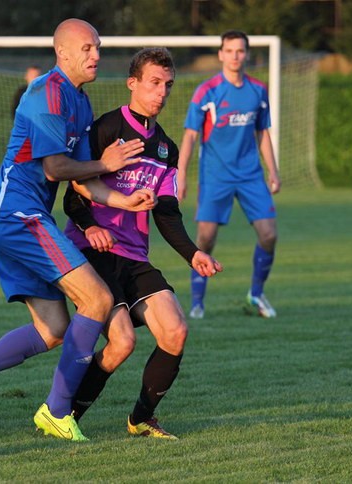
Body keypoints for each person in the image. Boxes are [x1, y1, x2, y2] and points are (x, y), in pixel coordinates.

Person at [0, 19, 153, 443]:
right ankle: (57, 411)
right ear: (62, 53)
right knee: (98, 299)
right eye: (87, 48)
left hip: (19, 217)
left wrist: (126, 200)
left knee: (53, 329)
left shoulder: (79, 101)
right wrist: (106, 163)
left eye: (98, 47)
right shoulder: (47, 92)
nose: (96, 55)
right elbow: (56, 168)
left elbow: (81, 178)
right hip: (16, 214)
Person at [63, 47, 222, 439]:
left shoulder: (166, 149)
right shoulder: (106, 129)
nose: (161, 92)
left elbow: (166, 214)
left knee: (175, 331)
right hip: (93, 253)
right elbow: (73, 192)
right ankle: (65, 415)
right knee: (123, 343)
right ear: (132, 83)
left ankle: (141, 419)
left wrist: (194, 254)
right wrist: (89, 227)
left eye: (168, 85)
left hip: (134, 257)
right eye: (154, 83)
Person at [177, 30, 281, 320]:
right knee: (206, 238)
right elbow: (190, 136)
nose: (235, 56)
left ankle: (256, 295)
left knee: (269, 235)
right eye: (230, 50)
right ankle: (197, 302)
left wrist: (273, 171)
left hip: (250, 176)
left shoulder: (258, 90)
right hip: (215, 176)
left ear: (247, 54)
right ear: (221, 54)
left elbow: (262, 133)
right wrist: (181, 175)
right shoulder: (207, 91)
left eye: (240, 51)